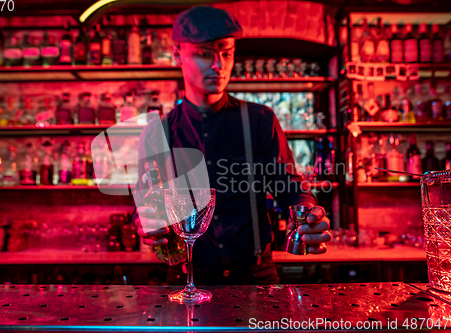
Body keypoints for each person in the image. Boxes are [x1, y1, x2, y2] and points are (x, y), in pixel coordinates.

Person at [133, 5, 331, 285]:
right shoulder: (157, 133)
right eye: (204, 54)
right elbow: (145, 205)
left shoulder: (260, 120)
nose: (219, 65)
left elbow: (289, 187)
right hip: (186, 279)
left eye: (226, 53)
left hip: (255, 276)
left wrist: (309, 212)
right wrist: (145, 224)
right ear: (177, 53)